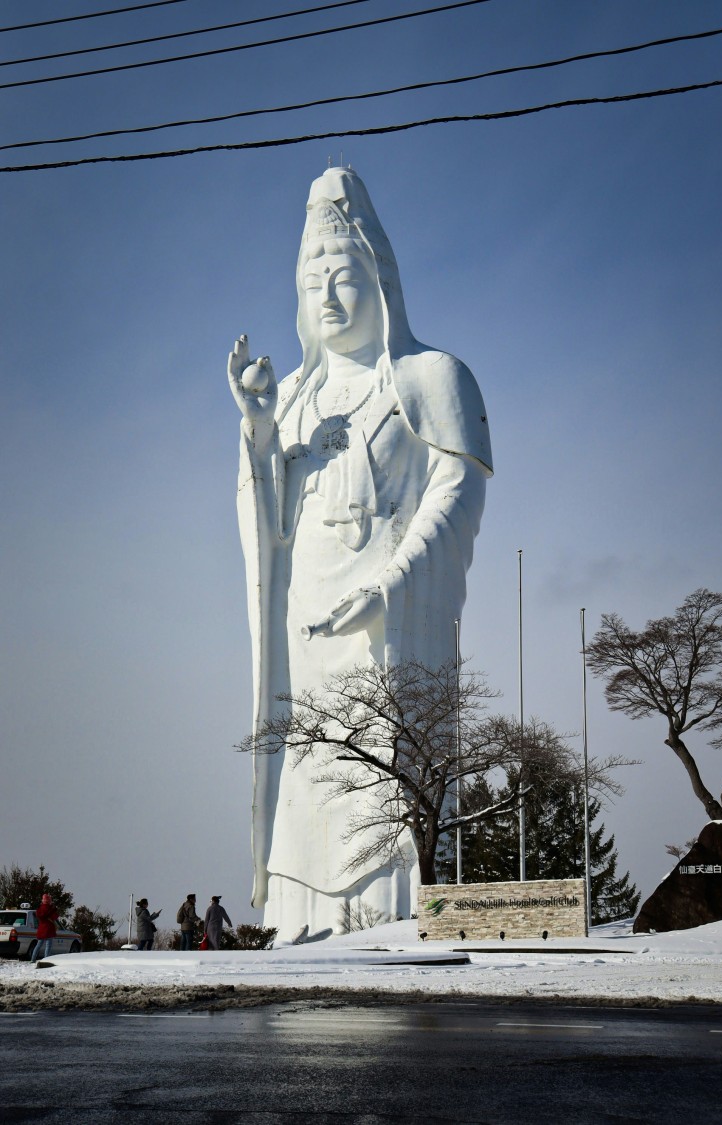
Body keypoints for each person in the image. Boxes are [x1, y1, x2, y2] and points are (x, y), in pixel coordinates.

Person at [228, 166, 492, 940]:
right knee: (310, 763)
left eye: (344, 276)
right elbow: (268, 529)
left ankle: (389, 917)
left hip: (386, 621)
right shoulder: (293, 398)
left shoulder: (432, 376)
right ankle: (302, 923)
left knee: (382, 768)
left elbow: (458, 491)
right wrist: (259, 431)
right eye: (313, 282)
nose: (329, 298)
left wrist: (395, 583)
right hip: (305, 629)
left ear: (380, 279)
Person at [32, 893, 59, 962]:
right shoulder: (51, 909)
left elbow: (38, 915)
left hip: (41, 929)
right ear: (49, 900)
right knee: (48, 946)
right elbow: (55, 917)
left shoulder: (39, 908)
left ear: (43, 900)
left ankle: (33, 959)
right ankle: (46, 959)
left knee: (38, 945)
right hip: (49, 929)